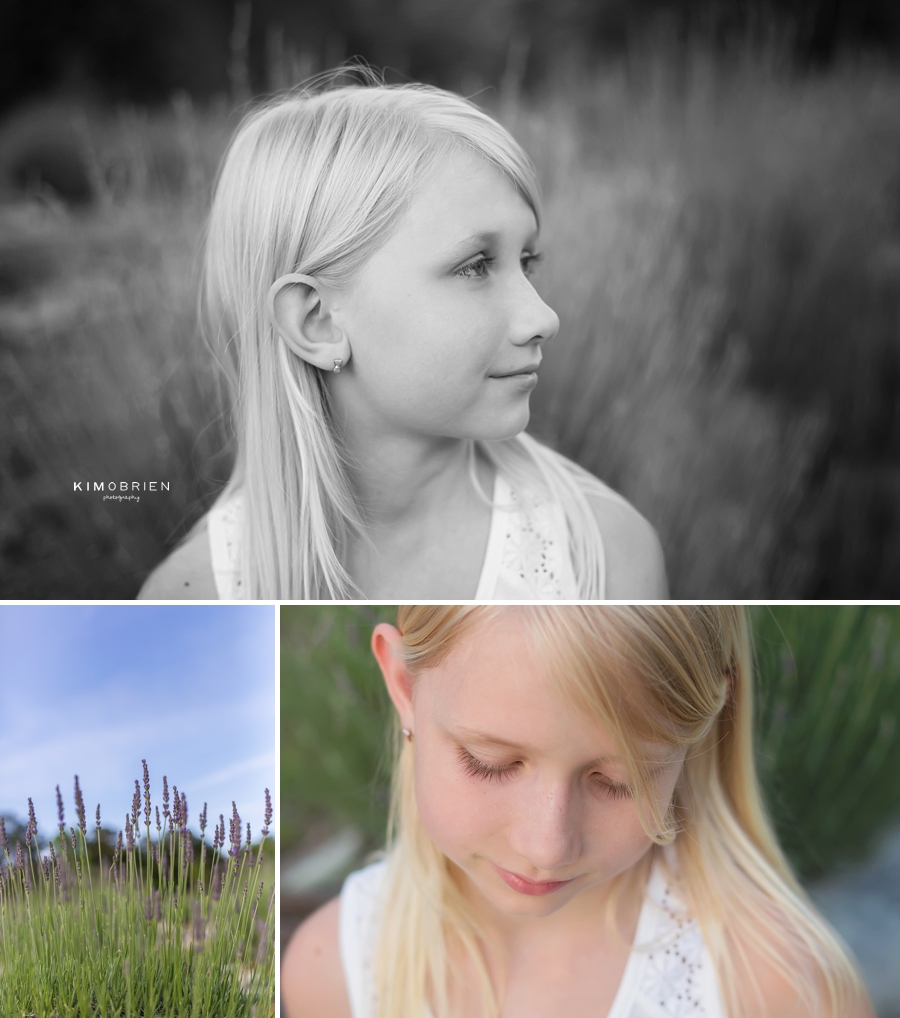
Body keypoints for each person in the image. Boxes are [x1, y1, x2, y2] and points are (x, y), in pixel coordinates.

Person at [138, 70, 667, 599]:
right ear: (316, 321)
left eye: (527, 261)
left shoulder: (601, 556)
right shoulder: (187, 599)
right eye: (475, 266)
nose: (543, 318)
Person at [282, 605, 873, 1018]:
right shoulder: (331, 970)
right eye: (492, 763)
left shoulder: (780, 990)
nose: (547, 846)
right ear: (404, 685)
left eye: (618, 781)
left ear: (703, 726)